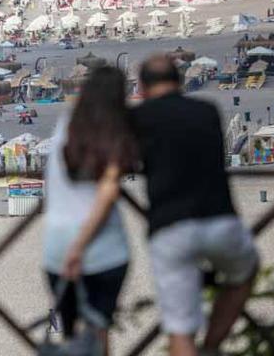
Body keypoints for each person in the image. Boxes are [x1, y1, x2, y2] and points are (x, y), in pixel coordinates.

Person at [132, 55, 259, 356]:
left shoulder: (138, 119)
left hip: (171, 226)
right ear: (179, 81)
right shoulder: (207, 111)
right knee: (246, 270)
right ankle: (212, 346)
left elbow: (126, 160)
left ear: (141, 87)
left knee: (180, 327)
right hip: (220, 219)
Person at [43, 66, 135, 353]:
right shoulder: (113, 130)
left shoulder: (65, 125)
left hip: (56, 246)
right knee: (98, 330)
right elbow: (108, 192)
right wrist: (79, 246)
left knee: (72, 336)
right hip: (101, 250)